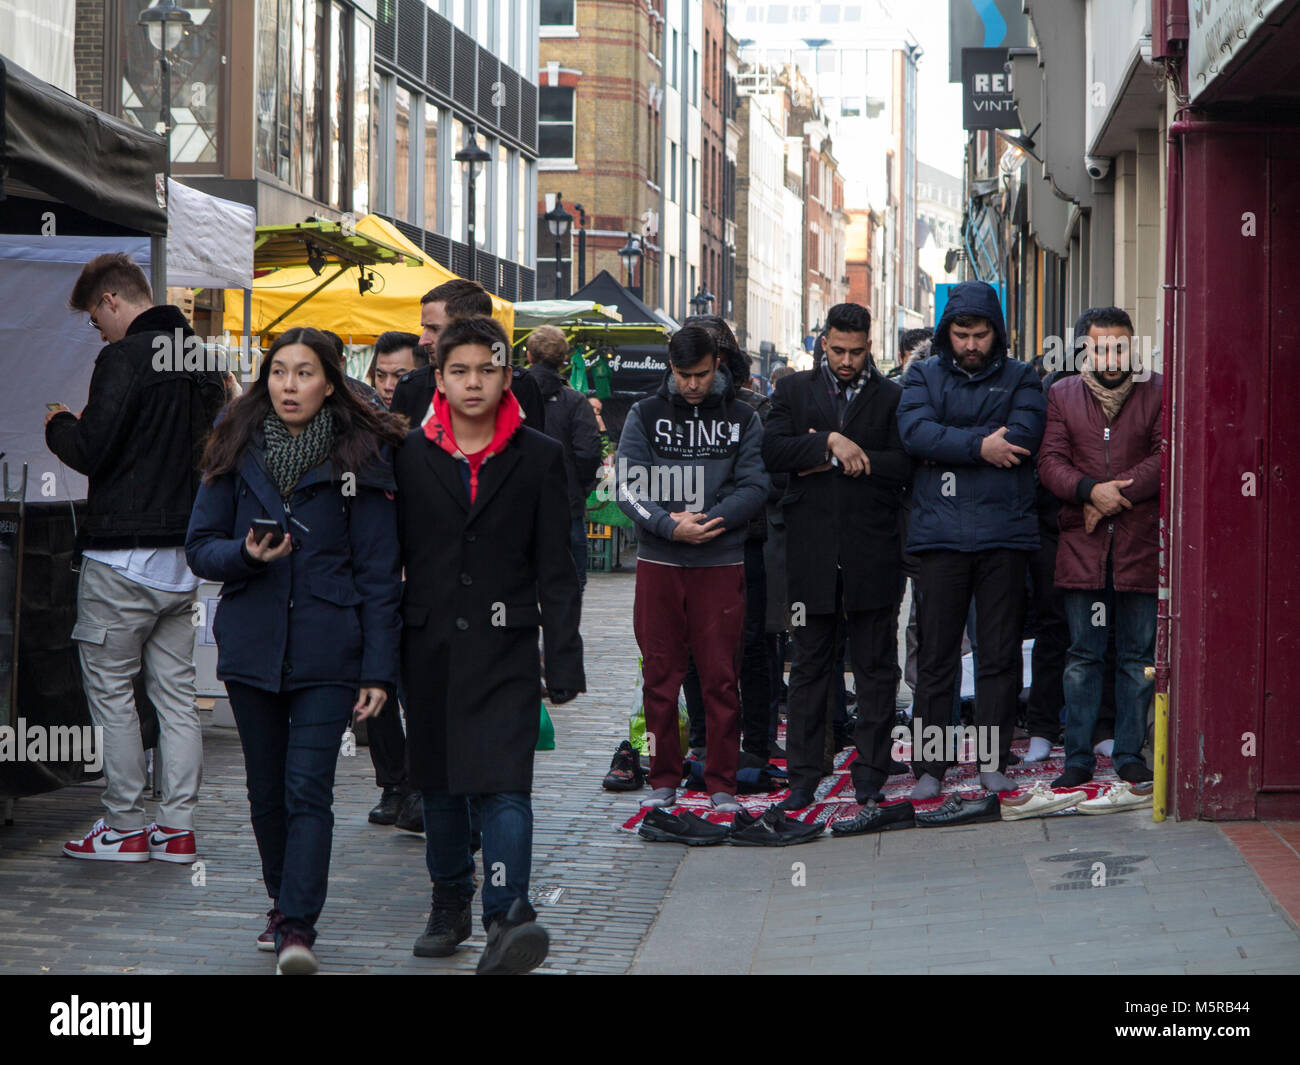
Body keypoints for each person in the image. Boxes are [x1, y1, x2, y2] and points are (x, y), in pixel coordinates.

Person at [186, 327, 405, 974]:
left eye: (304, 372)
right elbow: (200, 545)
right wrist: (244, 556)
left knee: (308, 787)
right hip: (252, 645)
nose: (289, 384)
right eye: (279, 371)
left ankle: (296, 926)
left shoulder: (361, 456)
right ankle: (282, 901)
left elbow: (378, 571)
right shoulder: (234, 445)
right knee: (265, 791)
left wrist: (378, 669)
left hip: (327, 648)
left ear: (330, 382)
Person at [396, 315, 584, 975]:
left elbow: (558, 565)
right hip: (429, 646)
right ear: (440, 380)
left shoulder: (539, 455)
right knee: (441, 785)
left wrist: (562, 657)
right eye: (459, 371)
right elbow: (386, 558)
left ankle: (509, 911)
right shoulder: (409, 454)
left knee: (506, 784)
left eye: (486, 369)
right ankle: (449, 900)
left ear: (507, 373)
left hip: (508, 646)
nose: (473, 382)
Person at [47, 252, 225, 864]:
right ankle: (176, 828)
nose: (100, 332)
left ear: (112, 301)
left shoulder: (122, 358)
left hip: (121, 559)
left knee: (113, 693)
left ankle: (123, 825)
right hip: (184, 557)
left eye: (97, 320)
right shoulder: (205, 360)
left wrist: (59, 424)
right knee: (176, 697)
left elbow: (93, 449)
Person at [762, 303, 913, 829]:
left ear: (870, 346)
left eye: (856, 351)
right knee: (808, 668)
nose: (846, 360)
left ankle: (871, 770)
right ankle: (804, 774)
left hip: (873, 553)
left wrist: (860, 459)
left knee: (875, 668)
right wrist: (829, 443)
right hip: (809, 556)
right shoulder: (793, 392)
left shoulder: (892, 396)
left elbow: (906, 463)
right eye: (837, 350)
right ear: (822, 342)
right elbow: (772, 450)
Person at [897, 280, 1046, 804]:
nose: (971, 344)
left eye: (981, 334)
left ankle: (992, 762)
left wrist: (950, 445)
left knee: (998, 657)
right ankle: (930, 767)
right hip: (940, 539)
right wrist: (983, 445)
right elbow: (914, 433)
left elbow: (1024, 437)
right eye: (961, 334)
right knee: (936, 658)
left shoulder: (1023, 378)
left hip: (1004, 537)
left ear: (996, 333)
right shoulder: (922, 375)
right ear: (947, 332)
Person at [617, 326, 769, 813]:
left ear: (717, 364)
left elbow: (756, 485)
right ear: (670, 365)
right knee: (659, 675)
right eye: (683, 375)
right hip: (660, 561)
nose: (691, 385)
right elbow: (626, 486)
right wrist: (667, 524)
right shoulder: (643, 413)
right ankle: (663, 776)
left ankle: (722, 781)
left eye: (700, 374)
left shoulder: (744, 417)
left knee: (721, 676)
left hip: (720, 561)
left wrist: (711, 521)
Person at [1036, 307, 1161, 790]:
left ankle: (1129, 753)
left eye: (1120, 345)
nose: (1112, 355)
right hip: (1083, 549)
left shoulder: (1158, 388)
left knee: (1137, 657)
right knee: (1083, 656)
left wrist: (1111, 497)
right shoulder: (1063, 393)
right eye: (1101, 346)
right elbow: (1050, 462)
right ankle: (1079, 756)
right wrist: (1090, 491)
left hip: (1140, 546)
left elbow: (1166, 452)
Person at [682, 314, 776, 768]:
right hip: (686, 544)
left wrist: (716, 516)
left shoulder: (754, 410)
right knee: (692, 648)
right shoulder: (667, 408)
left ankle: (756, 740)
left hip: (743, 544)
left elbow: (760, 480)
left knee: (752, 644)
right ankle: (703, 739)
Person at [389, 279, 544, 430]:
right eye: (424, 328)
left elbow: (533, 452)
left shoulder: (520, 387)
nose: (422, 341)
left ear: (472, 328)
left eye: (435, 329)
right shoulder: (411, 388)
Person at [524, 326, 603, 596]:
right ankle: (562, 636)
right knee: (569, 585)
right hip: (566, 506)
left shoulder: (509, 395)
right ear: (563, 361)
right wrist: (579, 487)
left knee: (519, 586)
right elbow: (590, 451)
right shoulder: (575, 401)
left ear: (529, 357)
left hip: (519, 503)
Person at [367, 330, 423, 410]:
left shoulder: (440, 417)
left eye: (399, 376)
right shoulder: (364, 418)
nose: (387, 386)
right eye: (380, 376)